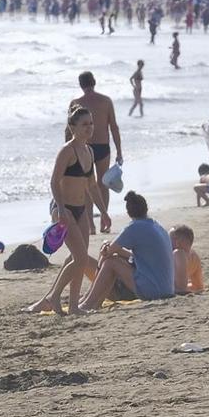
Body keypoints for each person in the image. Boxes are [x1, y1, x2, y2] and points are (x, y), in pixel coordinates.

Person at [26, 105, 99, 315]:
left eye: (91, 123)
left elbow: (92, 185)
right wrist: (61, 209)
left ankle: (74, 306)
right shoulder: (68, 150)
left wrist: (103, 212)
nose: (89, 128)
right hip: (63, 208)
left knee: (80, 258)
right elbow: (54, 181)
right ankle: (55, 296)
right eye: (84, 124)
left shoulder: (89, 151)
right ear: (72, 127)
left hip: (80, 209)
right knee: (80, 258)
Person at [76, 191, 175, 311]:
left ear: (128, 212)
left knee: (110, 262)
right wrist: (119, 251)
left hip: (153, 290)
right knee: (113, 258)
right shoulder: (157, 226)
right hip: (167, 288)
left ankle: (88, 303)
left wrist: (106, 247)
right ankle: (92, 301)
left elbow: (108, 252)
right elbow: (142, 258)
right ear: (146, 209)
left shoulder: (134, 227)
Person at [73, 72, 123, 230]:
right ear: (94, 82)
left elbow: (69, 129)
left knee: (87, 185)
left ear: (81, 85)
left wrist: (68, 151)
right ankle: (104, 220)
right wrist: (119, 151)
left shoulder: (75, 103)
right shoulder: (106, 101)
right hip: (103, 146)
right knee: (103, 184)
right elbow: (113, 127)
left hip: (84, 146)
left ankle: (90, 224)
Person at [170, 224, 205, 294]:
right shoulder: (194, 256)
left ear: (177, 243)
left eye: (168, 239)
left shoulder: (178, 253)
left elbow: (181, 287)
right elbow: (199, 286)